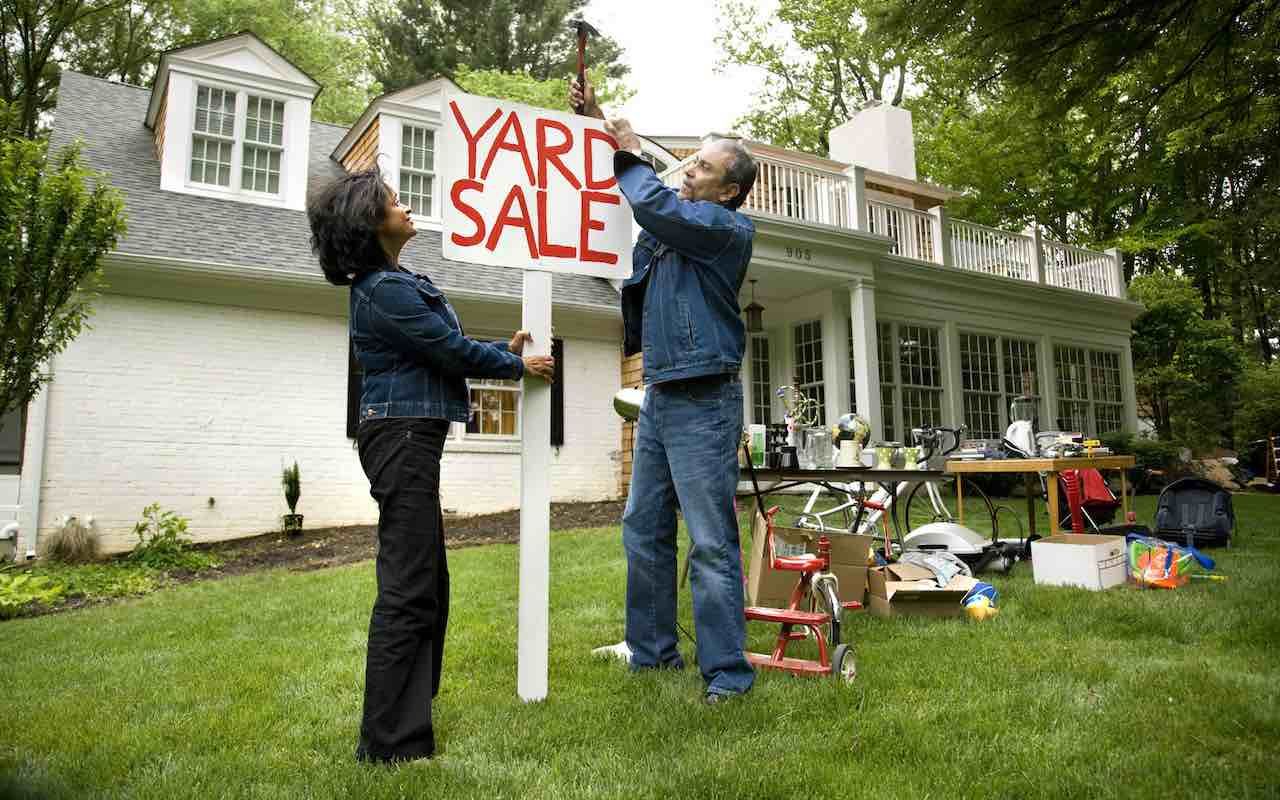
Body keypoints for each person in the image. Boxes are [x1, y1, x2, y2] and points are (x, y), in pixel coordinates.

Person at [307, 168, 555, 762]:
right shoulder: (383, 289)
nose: (404, 205)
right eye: (393, 201)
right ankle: (391, 744)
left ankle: (407, 718)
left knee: (427, 584)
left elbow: (440, 351)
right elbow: (448, 351)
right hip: (401, 440)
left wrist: (503, 352)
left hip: (408, 438)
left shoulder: (391, 283)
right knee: (409, 588)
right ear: (371, 224)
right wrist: (516, 367)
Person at [571, 78, 760, 703]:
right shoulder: (679, 221)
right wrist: (599, 120)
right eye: (692, 160)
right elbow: (649, 201)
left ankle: (728, 677)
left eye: (703, 167)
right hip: (661, 394)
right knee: (642, 526)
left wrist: (629, 150)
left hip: (704, 399)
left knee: (710, 542)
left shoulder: (723, 230)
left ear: (728, 191)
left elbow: (655, 204)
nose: (690, 170)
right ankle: (652, 656)